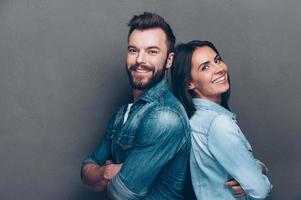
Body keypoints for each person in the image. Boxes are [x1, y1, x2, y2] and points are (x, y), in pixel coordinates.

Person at [81, 12, 191, 199]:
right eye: (133, 50)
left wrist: (107, 175)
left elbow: (122, 193)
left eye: (152, 51)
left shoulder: (166, 116)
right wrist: (106, 172)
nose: (140, 59)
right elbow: (86, 170)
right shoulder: (124, 112)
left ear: (169, 60)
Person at [171, 40, 272, 199]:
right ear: (189, 83)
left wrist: (256, 169)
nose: (219, 69)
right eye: (205, 67)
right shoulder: (218, 124)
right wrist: (259, 173)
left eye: (217, 60)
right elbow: (260, 190)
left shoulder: (194, 120)